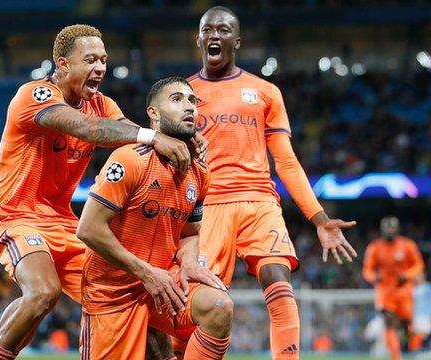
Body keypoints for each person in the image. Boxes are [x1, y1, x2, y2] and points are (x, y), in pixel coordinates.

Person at [0, 24, 206, 359]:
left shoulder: (102, 104)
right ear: (62, 64)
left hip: (64, 224)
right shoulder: (35, 95)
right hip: (16, 218)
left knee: (127, 293)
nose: (100, 67)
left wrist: (178, 138)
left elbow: (132, 132)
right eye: (90, 59)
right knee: (44, 292)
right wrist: (153, 137)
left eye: (103, 59)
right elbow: (85, 128)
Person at [188, 6, 358, 359]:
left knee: (280, 282)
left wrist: (320, 219)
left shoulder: (264, 91)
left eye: (223, 29)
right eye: (207, 30)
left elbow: (286, 161)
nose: (214, 35)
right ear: (199, 38)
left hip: (258, 201)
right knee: (199, 303)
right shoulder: (183, 94)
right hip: (207, 207)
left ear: (237, 40)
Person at [77, 76, 233, 360]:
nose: (189, 107)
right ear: (153, 113)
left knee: (218, 305)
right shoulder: (130, 159)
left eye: (192, 101)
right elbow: (88, 229)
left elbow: (189, 232)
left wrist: (188, 262)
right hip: (113, 293)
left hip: (162, 285)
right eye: (177, 100)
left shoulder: (199, 173)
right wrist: (146, 274)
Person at [363, 216, 425, 360]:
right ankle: (396, 357)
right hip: (385, 293)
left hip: (404, 292)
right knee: (389, 322)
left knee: (407, 325)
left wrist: (407, 275)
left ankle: (413, 348)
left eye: (392, 227)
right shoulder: (374, 247)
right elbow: (367, 270)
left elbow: (419, 265)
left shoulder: (407, 245)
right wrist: (374, 277)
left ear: (397, 229)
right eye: (386, 227)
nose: (389, 230)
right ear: (382, 230)